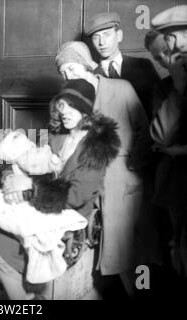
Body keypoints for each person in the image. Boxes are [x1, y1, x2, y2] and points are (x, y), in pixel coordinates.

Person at [0, 79, 121, 299]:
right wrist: (12, 177)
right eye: (62, 105)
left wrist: (30, 188)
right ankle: (26, 289)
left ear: (86, 111)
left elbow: (76, 195)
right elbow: (35, 164)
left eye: (72, 106)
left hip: (70, 210)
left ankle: (26, 294)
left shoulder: (96, 146)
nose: (65, 112)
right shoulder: (60, 135)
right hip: (48, 198)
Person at [55, 41, 157, 297]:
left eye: (71, 68)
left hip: (122, 182)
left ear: (86, 64)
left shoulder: (121, 88)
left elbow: (145, 131)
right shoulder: (73, 99)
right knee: (101, 252)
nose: (68, 76)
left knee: (129, 254)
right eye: (63, 72)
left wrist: (132, 164)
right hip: (92, 183)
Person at [150, 5, 187, 278]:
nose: (166, 56)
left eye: (172, 40)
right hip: (178, 184)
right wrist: (179, 85)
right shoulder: (168, 85)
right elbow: (161, 136)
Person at [85, 12, 160, 119]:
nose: (101, 42)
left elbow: (159, 105)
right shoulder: (91, 77)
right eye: (96, 37)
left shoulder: (143, 66)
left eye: (106, 34)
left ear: (119, 35)